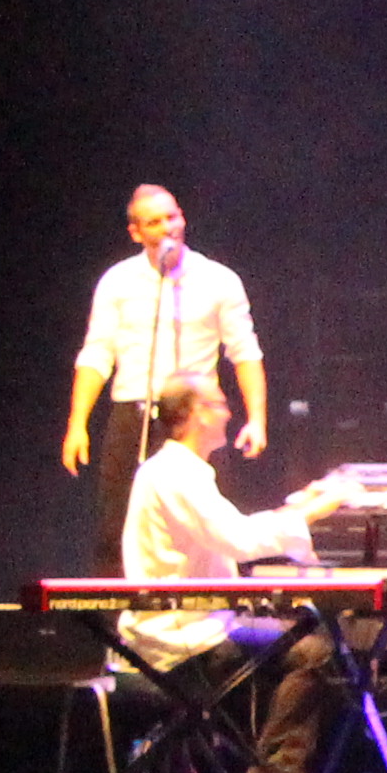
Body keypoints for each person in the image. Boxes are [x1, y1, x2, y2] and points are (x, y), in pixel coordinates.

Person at [118, 379, 351, 773]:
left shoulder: (180, 471)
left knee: (300, 639)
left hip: (199, 626)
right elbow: (239, 540)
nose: (228, 413)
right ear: (193, 414)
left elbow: (230, 532)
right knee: (311, 653)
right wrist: (313, 511)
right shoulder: (174, 475)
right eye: (218, 404)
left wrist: (297, 510)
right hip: (180, 640)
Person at [63, 186, 266, 569]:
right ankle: (118, 605)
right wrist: (78, 424)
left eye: (172, 217)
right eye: (154, 222)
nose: (167, 227)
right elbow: (97, 353)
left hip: (195, 416)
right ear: (136, 232)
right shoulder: (118, 282)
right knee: (118, 522)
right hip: (135, 412)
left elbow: (244, 352)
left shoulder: (218, 279)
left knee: (208, 524)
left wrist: (256, 419)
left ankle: (212, 600)